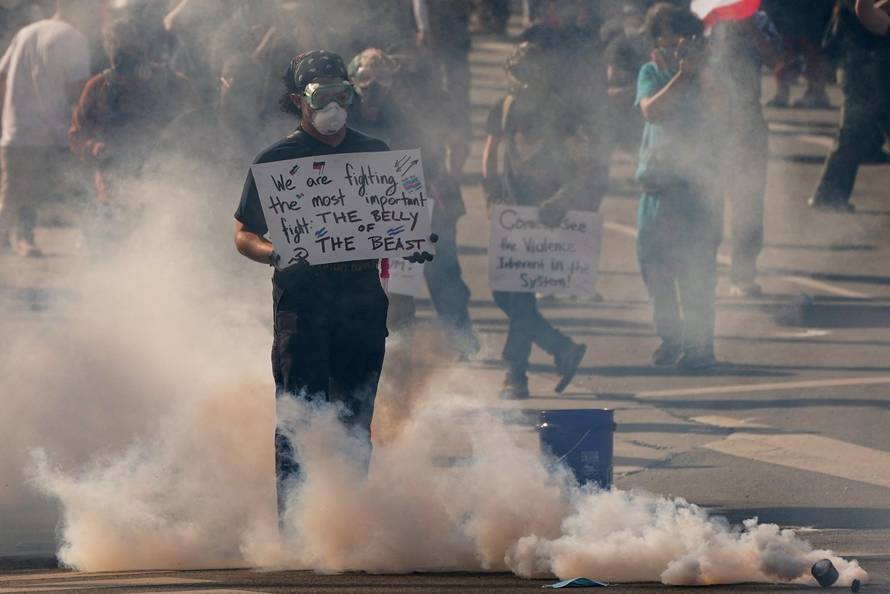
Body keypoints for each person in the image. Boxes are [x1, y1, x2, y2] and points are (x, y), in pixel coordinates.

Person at [233, 50, 392, 516]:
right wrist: (274, 254)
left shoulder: (375, 155)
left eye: (342, 94)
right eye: (322, 96)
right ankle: (297, 532)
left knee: (355, 420)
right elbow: (243, 233)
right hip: (302, 306)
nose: (334, 107)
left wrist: (412, 238)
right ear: (297, 100)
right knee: (299, 418)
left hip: (362, 303)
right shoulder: (276, 161)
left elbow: (398, 218)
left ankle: (348, 524)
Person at [347, 48, 479, 357]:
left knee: (441, 272)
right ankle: (397, 351)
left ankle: (462, 337)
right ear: (352, 80)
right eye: (366, 77)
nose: (373, 85)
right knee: (391, 288)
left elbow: (429, 158)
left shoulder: (405, 114)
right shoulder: (343, 118)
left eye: (381, 77)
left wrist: (432, 193)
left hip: (419, 206)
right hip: (367, 214)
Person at [482, 41, 593, 399]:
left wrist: (561, 201)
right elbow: (490, 153)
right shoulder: (505, 108)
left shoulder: (563, 113)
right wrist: (492, 198)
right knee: (505, 293)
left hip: (548, 217)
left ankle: (516, 374)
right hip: (513, 218)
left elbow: (584, 165)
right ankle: (562, 348)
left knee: (521, 297)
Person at [634, 3, 722, 369]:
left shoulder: (706, 75)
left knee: (696, 271)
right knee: (655, 269)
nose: (675, 47)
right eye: (667, 39)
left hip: (695, 190)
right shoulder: (651, 73)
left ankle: (700, 346)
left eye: (682, 39)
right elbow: (651, 110)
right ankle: (671, 337)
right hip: (656, 189)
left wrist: (699, 75)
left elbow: (722, 109)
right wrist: (681, 77)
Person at [69, 17, 192, 232]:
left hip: (159, 180)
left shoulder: (165, 79)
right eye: (115, 42)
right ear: (107, 46)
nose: (122, 49)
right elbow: (77, 134)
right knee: (109, 248)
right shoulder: (99, 85)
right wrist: (94, 147)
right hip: (111, 182)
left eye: (127, 42)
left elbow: (192, 114)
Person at [0, 0, 92, 256]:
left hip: (16, 128)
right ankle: (92, 239)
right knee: (78, 188)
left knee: (15, 192)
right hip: (55, 130)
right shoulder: (74, 38)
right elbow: (79, 92)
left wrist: (8, 115)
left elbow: (2, 76)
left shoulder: (26, 32)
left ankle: (20, 238)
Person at [710, 12, 781, 298]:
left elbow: (779, 59)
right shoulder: (699, 15)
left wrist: (750, 28)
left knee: (748, 201)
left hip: (748, 121)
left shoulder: (760, 19)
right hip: (706, 124)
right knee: (706, 200)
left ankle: (744, 273)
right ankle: (700, 271)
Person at [809, 0, 890, 212]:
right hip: (868, 68)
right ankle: (828, 196)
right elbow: (864, 11)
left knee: (853, 134)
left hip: (864, 66)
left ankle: (829, 195)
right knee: (852, 133)